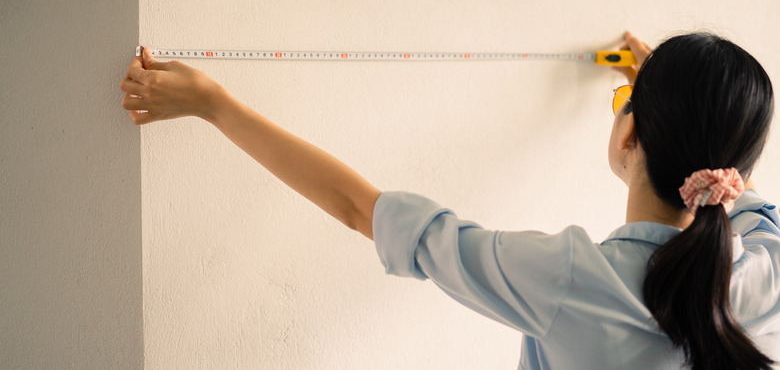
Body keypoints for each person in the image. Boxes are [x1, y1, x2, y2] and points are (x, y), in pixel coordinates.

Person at [120, 32, 780, 370]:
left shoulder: (569, 277)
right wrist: (680, 106)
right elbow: (750, 204)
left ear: (629, 133)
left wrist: (214, 104)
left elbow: (360, 207)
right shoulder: (762, 279)